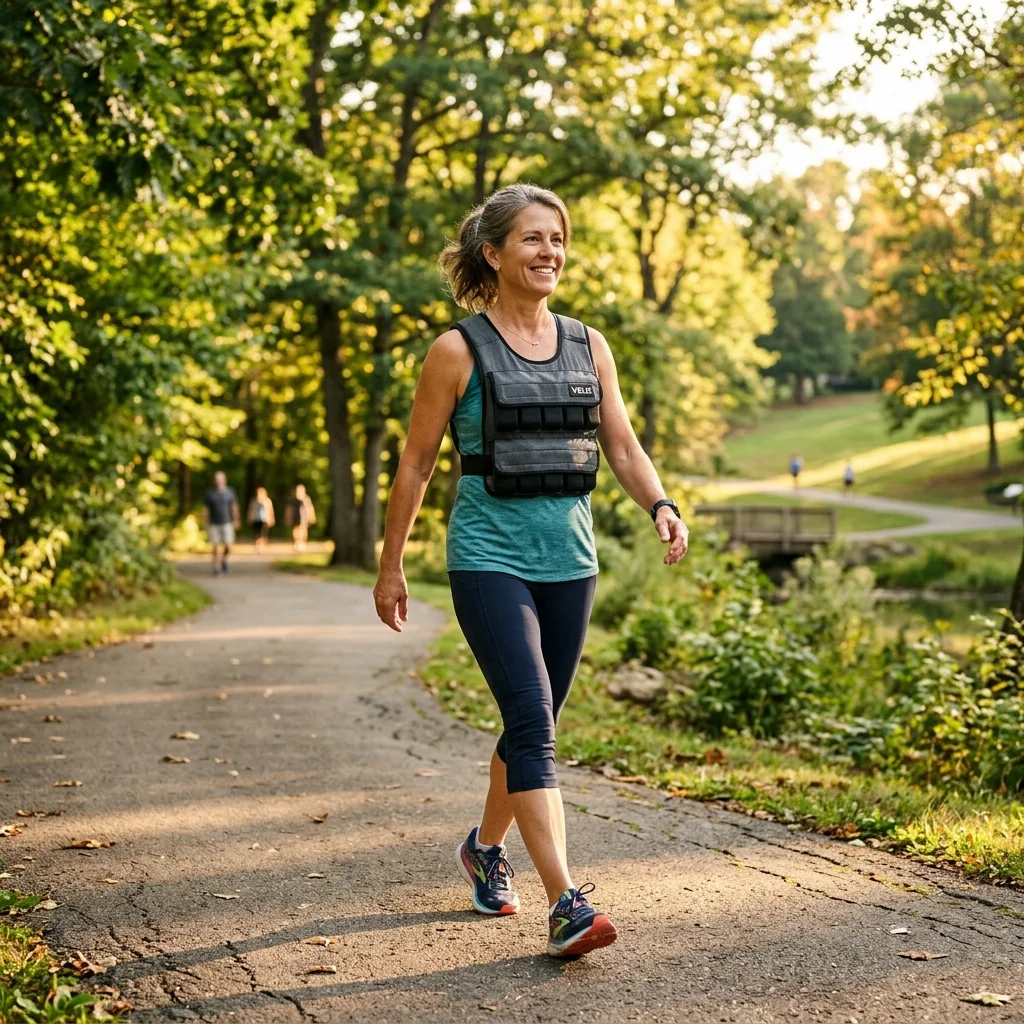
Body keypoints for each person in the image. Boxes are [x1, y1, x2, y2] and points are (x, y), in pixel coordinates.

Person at [372, 183, 688, 959]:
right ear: (494, 253)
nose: (550, 251)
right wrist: (391, 567)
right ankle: (567, 904)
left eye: (558, 238)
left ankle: (484, 848)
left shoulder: (589, 344)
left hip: (571, 562)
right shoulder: (457, 350)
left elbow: (620, 445)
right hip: (488, 559)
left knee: (531, 726)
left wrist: (660, 503)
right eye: (533, 239)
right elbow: (415, 464)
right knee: (533, 722)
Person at [202, 471, 240, 576]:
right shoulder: (210, 494)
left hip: (227, 522)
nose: (219, 481)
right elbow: (205, 509)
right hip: (214, 523)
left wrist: (236, 520)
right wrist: (205, 522)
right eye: (217, 479)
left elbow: (234, 507)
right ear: (214, 480)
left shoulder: (230, 492)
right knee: (215, 545)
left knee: (228, 544)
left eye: (221, 479)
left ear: (224, 480)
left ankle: (224, 560)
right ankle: (216, 567)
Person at [285, 484, 316, 552]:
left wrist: (312, 516)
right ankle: (296, 542)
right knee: (295, 530)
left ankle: (302, 543)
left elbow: (310, 508)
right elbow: (289, 509)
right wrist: (288, 517)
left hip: (304, 518)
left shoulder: (306, 499)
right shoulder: (292, 499)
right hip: (295, 517)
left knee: (303, 530)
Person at [248, 486, 275, 553]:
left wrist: (271, 519)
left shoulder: (267, 501)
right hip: (256, 519)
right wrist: (250, 517)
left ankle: (262, 547)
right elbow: (251, 510)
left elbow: (270, 510)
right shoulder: (254, 501)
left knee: (263, 534)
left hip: (264, 520)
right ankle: (257, 546)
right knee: (256, 534)